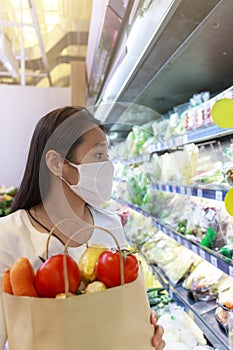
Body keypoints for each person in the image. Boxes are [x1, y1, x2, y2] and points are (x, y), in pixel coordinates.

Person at [0, 106, 165, 350]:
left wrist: (148, 333)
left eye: (107, 156)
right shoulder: (8, 235)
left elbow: (127, 311)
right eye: (98, 156)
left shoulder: (110, 226)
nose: (107, 166)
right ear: (57, 163)